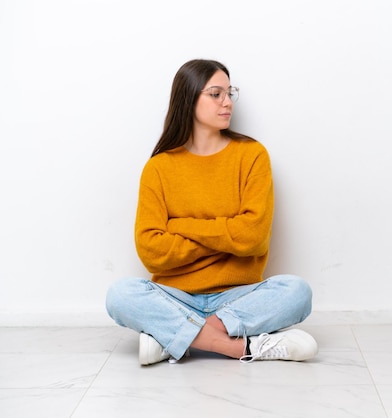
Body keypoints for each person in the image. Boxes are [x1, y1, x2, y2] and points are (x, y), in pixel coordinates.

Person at [106, 59, 317, 366]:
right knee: (120, 295)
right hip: (175, 297)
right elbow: (152, 251)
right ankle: (239, 347)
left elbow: (253, 237)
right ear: (189, 98)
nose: (227, 102)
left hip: (238, 297)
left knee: (297, 291)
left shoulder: (251, 155)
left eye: (230, 93)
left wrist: (181, 226)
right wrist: (226, 238)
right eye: (216, 94)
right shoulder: (159, 167)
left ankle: (173, 338)